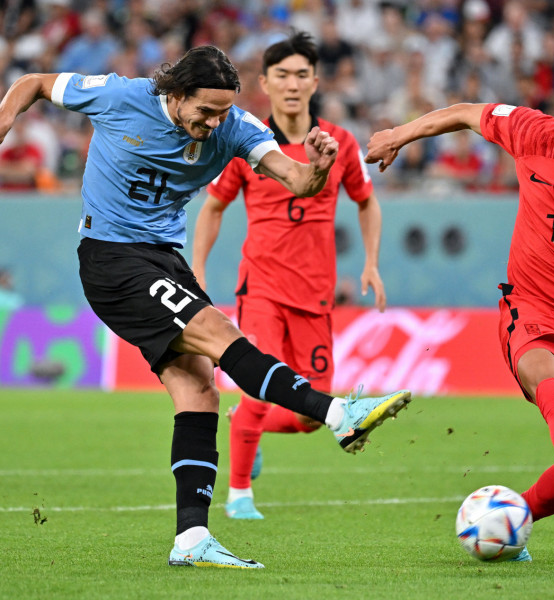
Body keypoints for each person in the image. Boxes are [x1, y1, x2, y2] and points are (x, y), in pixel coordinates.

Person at [0, 45, 411, 569]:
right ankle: (336, 412)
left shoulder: (236, 128)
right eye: (205, 111)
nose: (215, 122)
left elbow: (299, 182)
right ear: (174, 94)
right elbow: (35, 80)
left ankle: (191, 539)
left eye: (223, 111)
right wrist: (6, 118)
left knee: (199, 392)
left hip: (163, 260)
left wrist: (321, 166)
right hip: (111, 258)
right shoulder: (122, 96)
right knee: (220, 333)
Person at [366, 48, 554, 548]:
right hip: (531, 307)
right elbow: (466, 113)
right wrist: (400, 134)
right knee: (552, 386)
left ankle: (512, 515)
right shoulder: (536, 133)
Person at [191, 31, 387, 521]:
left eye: (302, 74)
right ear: (266, 83)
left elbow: (368, 202)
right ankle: (238, 495)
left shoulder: (338, 143)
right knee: (261, 382)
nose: (293, 84)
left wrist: (370, 262)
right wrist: (196, 269)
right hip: (261, 286)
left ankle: (244, 428)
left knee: (306, 416)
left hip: (316, 293)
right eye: (282, 75)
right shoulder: (247, 140)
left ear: (315, 82)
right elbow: (213, 208)